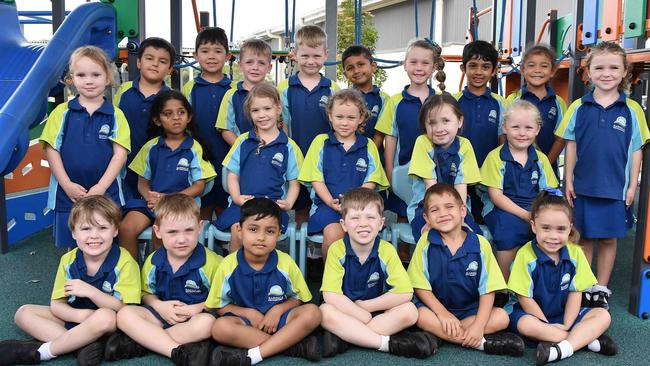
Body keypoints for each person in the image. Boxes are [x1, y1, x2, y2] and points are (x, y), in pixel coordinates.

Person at [555, 42, 649, 309]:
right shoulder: (578, 107)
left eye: (613, 68)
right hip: (583, 187)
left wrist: (633, 186)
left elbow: (636, 151)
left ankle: (601, 287)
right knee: (583, 237)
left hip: (615, 189)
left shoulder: (632, 110)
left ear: (624, 72)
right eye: (599, 67)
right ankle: (584, 285)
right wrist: (568, 180)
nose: (606, 73)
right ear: (588, 71)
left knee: (608, 238)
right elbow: (570, 145)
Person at [0, 196, 140, 366]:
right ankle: (82, 346)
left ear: (115, 230)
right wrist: (81, 316)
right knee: (23, 313)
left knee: (106, 317)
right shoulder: (68, 260)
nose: (94, 236)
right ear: (74, 233)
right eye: (86, 229)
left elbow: (125, 309)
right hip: (77, 317)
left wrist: (92, 292)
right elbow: (57, 304)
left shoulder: (125, 262)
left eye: (103, 228)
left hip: (108, 322)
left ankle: (43, 352)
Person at [105, 194, 223, 366]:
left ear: (200, 227)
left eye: (188, 230)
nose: (181, 239)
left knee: (207, 324)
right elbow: (146, 294)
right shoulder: (153, 261)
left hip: (194, 316)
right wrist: (160, 306)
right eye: (172, 232)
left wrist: (194, 309)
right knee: (124, 315)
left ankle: (144, 341)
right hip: (161, 313)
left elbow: (220, 299)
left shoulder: (213, 263)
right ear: (158, 232)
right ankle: (176, 349)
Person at [408, 184, 524, 357]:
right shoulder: (425, 243)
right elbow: (420, 286)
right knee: (418, 314)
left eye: (449, 207)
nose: (443, 214)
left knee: (501, 317)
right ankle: (480, 343)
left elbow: (488, 289)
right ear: (426, 218)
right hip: (436, 310)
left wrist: (478, 325)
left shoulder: (480, 244)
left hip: (471, 311)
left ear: (463, 211)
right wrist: (443, 314)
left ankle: (442, 336)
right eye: (435, 210)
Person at [320, 188, 435, 359]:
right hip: (346, 311)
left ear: (381, 223)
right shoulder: (337, 249)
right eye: (355, 218)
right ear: (343, 224)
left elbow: (405, 292)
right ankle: (386, 344)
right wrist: (360, 314)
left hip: (377, 312)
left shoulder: (386, 250)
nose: (363, 224)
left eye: (370, 217)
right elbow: (331, 295)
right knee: (324, 312)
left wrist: (366, 308)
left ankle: (347, 337)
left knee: (410, 311)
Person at [506, 190, 617, 365]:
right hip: (534, 316)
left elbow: (575, 293)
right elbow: (524, 298)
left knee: (603, 315)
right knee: (525, 324)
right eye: (546, 228)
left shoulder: (575, 253)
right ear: (534, 226)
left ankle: (561, 348)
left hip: (563, 315)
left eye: (561, 229)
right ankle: (585, 341)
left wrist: (566, 323)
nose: (553, 236)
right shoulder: (525, 255)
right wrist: (546, 325)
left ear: (570, 228)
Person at [206, 198, 322, 365]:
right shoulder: (228, 265)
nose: (261, 237)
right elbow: (219, 305)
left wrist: (277, 310)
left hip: (279, 320)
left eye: (269, 231)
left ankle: (255, 354)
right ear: (239, 230)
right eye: (253, 229)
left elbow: (298, 298)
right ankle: (290, 345)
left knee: (313, 313)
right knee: (219, 328)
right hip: (247, 325)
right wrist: (248, 314)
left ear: (279, 234)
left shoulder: (286, 262)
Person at [40, 46, 130, 248]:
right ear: (71, 79)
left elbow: (119, 155)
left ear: (108, 78)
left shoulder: (116, 115)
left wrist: (101, 187)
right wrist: (66, 185)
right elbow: (51, 150)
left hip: (107, 192)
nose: (89, 81)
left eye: (96, 74)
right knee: (73, 246)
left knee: (106, 242)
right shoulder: (61, 113)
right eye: (81, 75)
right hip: (67, 194)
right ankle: (74, 278)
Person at [118, 90, 217, 261]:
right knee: (126, 228)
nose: (176, 118)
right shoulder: (150, 147)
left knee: (161, 231)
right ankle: (131, 278)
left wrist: (167, 199)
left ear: (189, 117)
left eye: (181, 112)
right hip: (152, 204)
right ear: (157, 120)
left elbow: (199, 187)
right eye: (168, 114)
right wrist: (149, 197)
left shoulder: (194, 149)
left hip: (181, 206)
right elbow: (142, 182)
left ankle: (160, 276)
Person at [374, 38, 445, 259]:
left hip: (436, 172)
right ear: (405, 65)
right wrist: (389, 173)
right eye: (413, 62)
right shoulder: (395, 102)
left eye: (425, 63)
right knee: (405, 215)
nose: (419, 68)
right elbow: (390, 139)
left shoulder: (442, 101)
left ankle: (432, 260)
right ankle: (403, 260)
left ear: (434, 67)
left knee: (435, 214)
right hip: (404, 170)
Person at [298, 89, 389, 259]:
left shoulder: (368, 145)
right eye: (339, 117)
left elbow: (372, 180)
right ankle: (332, 281)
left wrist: (352, 203)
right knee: (334, 234)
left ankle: (359, 278)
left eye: (351, 118)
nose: (345, 123)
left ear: (361, 118)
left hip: (361, 207)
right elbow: (316, 178)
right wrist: (331, 202)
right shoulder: (320, 142)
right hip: (327, 206)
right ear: (330, 116)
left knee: (364, 235)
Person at [215, 83, 303, 252]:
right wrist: (236, 197)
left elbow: (294, 182)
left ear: (278, 109)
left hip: (272, 205)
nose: (262, 115)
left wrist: (289, 203)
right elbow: (232, 175)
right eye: (255, 111)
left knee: (263, 233)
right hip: (242, 205)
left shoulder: (289, 146)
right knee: (239, 231)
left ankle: (264, 274)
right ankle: (236, 273)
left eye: (267, 109)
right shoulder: (242, 141)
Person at [481, 100, 559, 279]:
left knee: (552, 225)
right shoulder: (496, 158)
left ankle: (540, 282)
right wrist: (525, 215)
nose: (522, 133)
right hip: (501, 208)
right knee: (509, 226)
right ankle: (504, 285)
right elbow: (496, 196)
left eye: (528, 128)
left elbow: (547, 193)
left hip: (533, 207)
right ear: (505, 127)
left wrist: (541, 214)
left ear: (537, 129)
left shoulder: (540, 159)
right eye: (515, 127)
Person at [278, 25, 339, 223]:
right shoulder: (285, 87)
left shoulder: (332, 89)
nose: (311, 62)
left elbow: (337, 126)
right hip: (297, 154)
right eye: (305, 56)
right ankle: (303, 248)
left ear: (325, 55)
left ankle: (314, 247)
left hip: (324, 158)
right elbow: (283, 123)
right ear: (294, 54)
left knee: (322, 199)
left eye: (316, 56)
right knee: (301, 205)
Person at [408, 94, 481, 242]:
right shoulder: (422, 143)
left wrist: (459, 219)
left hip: (459, 208)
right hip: (426, 208)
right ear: (424, 126)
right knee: (433, 238)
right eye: (432, 123)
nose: (439, 128)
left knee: (472, 238)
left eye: (446, 121)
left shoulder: (465, 146)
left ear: (459, 121)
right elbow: (431, 188)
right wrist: (435, 217)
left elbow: (461, 186)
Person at [182, 27, 233, 220]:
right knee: (200, 213)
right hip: (199, 160)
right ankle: (200, 248)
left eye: (218, 51)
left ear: (227, 55)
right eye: (205, 51)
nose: (211, 56)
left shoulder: (235, 89)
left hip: (227, 159)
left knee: (225, 212)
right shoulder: (190, 88)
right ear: (195, 55)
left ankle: (223, 249)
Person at [506, 44, 567, 175]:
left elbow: (560, 139)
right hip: (516, 170)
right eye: (531, 65)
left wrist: (544, 165)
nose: (537, 70)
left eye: (544, 66)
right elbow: (506, 135)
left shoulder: (558, 103)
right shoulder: (513, 100)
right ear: (522, 69)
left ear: (553, 71)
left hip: (547, 170)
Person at [454, 40, 506, 167]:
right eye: (473, 65)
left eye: (486, 67)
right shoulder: (453, 102)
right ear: (463, 68)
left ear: (494, 71)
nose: (478, 72)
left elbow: (503, 140)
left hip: (490, 174)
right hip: (459, 173)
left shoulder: (501, 103)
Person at [216, 39, 274, 145]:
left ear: (269, 67)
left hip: (271, 151)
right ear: (240, 66)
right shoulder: (231, 95)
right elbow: (226, 129)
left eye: (261, 63)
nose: (255, 67)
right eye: (249, 62)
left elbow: (281, 124)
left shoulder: (275, 94)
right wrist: (243, 150)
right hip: (242, 154)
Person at [341, 45, 390, 147]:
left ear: (373, 66)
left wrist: (369, 155)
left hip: (373, 157)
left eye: (361, 64)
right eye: (350, 68)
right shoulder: (343, 98)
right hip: (347, 155)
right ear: (345, 75)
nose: (356, 71)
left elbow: (380, 134)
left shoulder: (384, 99)